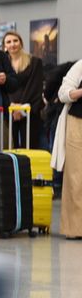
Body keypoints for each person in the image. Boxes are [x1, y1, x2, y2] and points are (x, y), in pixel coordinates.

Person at [0, 28, 48, 150]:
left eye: (15, 40)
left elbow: (35, 87)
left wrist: (21, 108)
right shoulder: (1, 64)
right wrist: (11, 105)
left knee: (30, 146)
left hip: (30, 110)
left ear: (21, 43)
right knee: (10, 147)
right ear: (4, 46)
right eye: (8, 42)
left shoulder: (35, 62)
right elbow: (2, 88)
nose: (12, 44)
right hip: (8, 111)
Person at [55, 58, 82, 238]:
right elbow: (63, 93)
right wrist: (79, 92)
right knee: (76, 176)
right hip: (77, 123)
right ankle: (76, 229)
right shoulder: (81, 65)